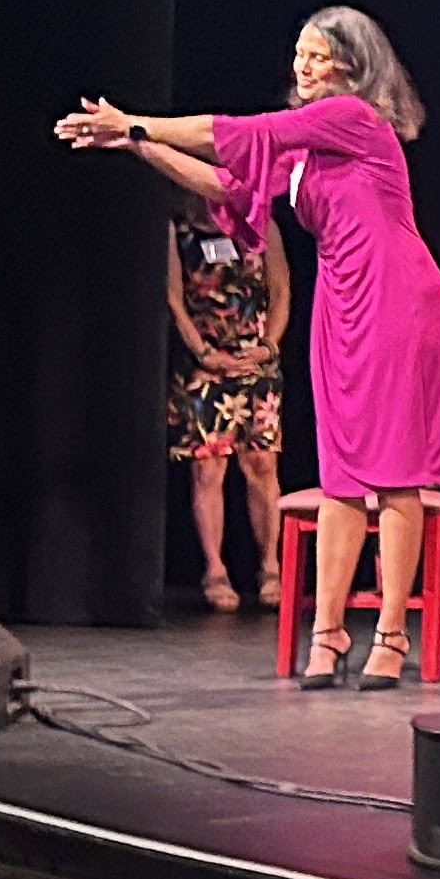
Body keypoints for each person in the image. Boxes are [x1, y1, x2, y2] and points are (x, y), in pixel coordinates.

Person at [56, 9, 440, 689]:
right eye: (300, 54)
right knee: (341, 477)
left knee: (394, 474)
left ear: (353, 67)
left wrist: (139, 119)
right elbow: (229, 183)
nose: (303, 67)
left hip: (398, 299)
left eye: (319, 56)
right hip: (341, 304)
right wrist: (134, 142)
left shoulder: (355, 120)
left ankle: (391, 634)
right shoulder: (308, 152)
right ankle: (328, 632)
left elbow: (240, 133)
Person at [165, 204, 289, 612]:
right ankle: (214, 570)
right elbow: (174, 298)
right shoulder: (179, 229)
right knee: (208, 468)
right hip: (205, 363)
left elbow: (280, 290)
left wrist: (268, 347)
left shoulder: (262, 225)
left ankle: (270, 566)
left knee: (262, 464)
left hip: (255, 360)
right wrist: (204, 353)